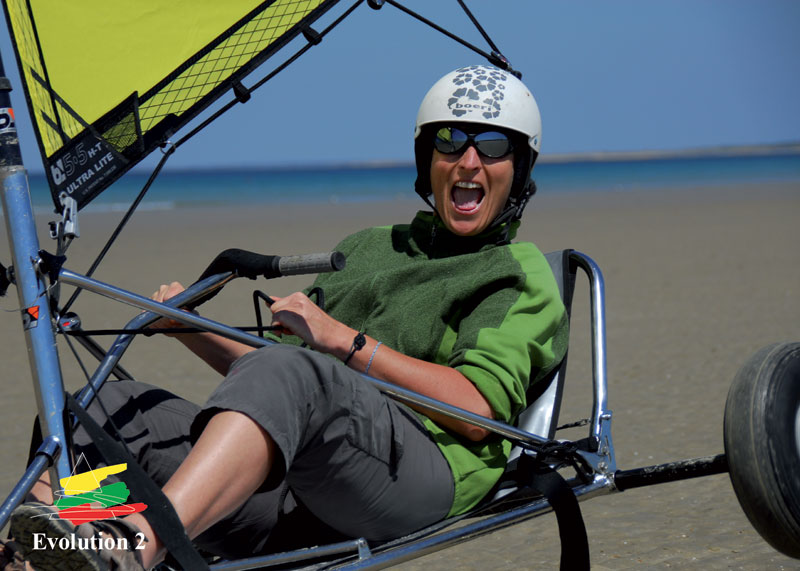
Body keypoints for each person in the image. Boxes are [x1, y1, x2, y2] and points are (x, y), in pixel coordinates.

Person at [5, 64, 568, 571]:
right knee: (107, 409)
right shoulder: (371, 247)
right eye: (452, 142)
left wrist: (343, 342)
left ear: (518, 169)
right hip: (298, 485)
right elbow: (280, 387)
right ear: (429, 159)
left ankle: (138, 546)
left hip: (420, 476)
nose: (469, 161)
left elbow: (477, 410)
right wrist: (190, 330)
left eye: (493, 147)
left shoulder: (515, 272)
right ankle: (50, 547)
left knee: (296, 375)